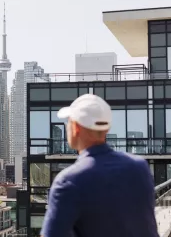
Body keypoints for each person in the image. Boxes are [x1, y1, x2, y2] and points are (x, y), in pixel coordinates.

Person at [40, 94, 158, 237]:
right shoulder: (140, 167)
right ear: (106, 129)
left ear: (76, 127)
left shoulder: (68, 182)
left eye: (68, 122)